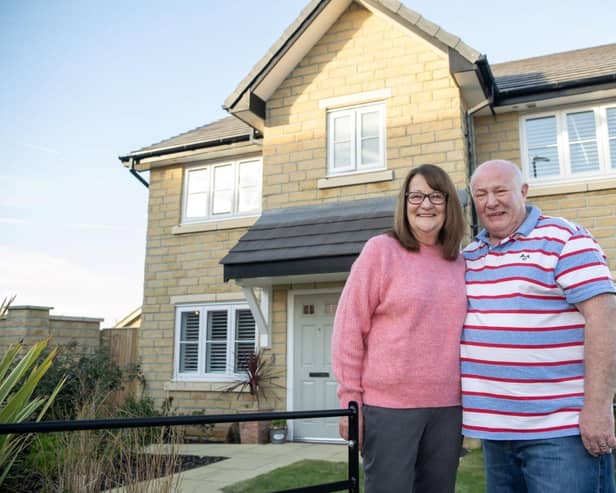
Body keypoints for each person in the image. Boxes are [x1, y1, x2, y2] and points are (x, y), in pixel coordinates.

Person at [462, 159, 616, 493]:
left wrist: (599, 408)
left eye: (501, 190)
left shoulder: (565, 239)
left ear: (524, 192)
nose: (491, 201)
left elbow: (605, 318)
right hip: (497, 436)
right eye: (481, 194)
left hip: (561, 432)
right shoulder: (471, 256)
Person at [331, 164, 467, 493]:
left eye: (436, 195)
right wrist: (351, 402)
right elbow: (349, 329)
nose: (426, 204)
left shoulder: (460, 262)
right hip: (389, 410)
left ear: (449, 204)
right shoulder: (381, 251)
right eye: (416, 195)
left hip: (448, 409)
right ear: (404, 203)